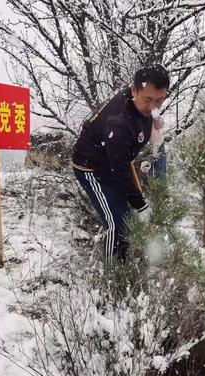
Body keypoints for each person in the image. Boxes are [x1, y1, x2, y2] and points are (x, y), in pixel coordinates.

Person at [72, 64, 170, 261]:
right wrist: (141, 206)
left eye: (160, 100)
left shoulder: (142, 101)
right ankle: (115, 274)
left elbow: (148, 115)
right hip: (92, 167)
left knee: (125, 211)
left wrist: (154, 121)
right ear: (134, 90)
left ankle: (127, 258)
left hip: (115, 159)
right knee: (119, 221)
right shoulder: (117, 123)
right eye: (148, 100)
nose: (154, 107)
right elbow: (121, 171)